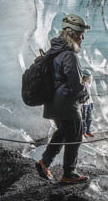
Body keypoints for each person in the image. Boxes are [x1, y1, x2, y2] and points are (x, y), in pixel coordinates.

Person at [36, 14, 91, 184]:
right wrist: (85, 95)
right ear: (73, 34)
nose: (82, 38)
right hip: (66, 103)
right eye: (81, 34)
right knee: (75, 134)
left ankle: (44, 162)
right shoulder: (69, 55)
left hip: (53, 102)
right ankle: (69, 172)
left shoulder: (55, 52)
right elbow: (75, 83)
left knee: (62, 132)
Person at [79, 73, 95, 138]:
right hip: (84, 104)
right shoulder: (81, 84)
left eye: (88, 77)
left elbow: (89, 94)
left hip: (89, 103)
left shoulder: (87, 83)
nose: (88, 78)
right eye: (87, 77)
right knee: (84, 118)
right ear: (83, 77)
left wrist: (92, 102)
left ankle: (88, 131)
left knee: (89, 118)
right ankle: (84, 132)